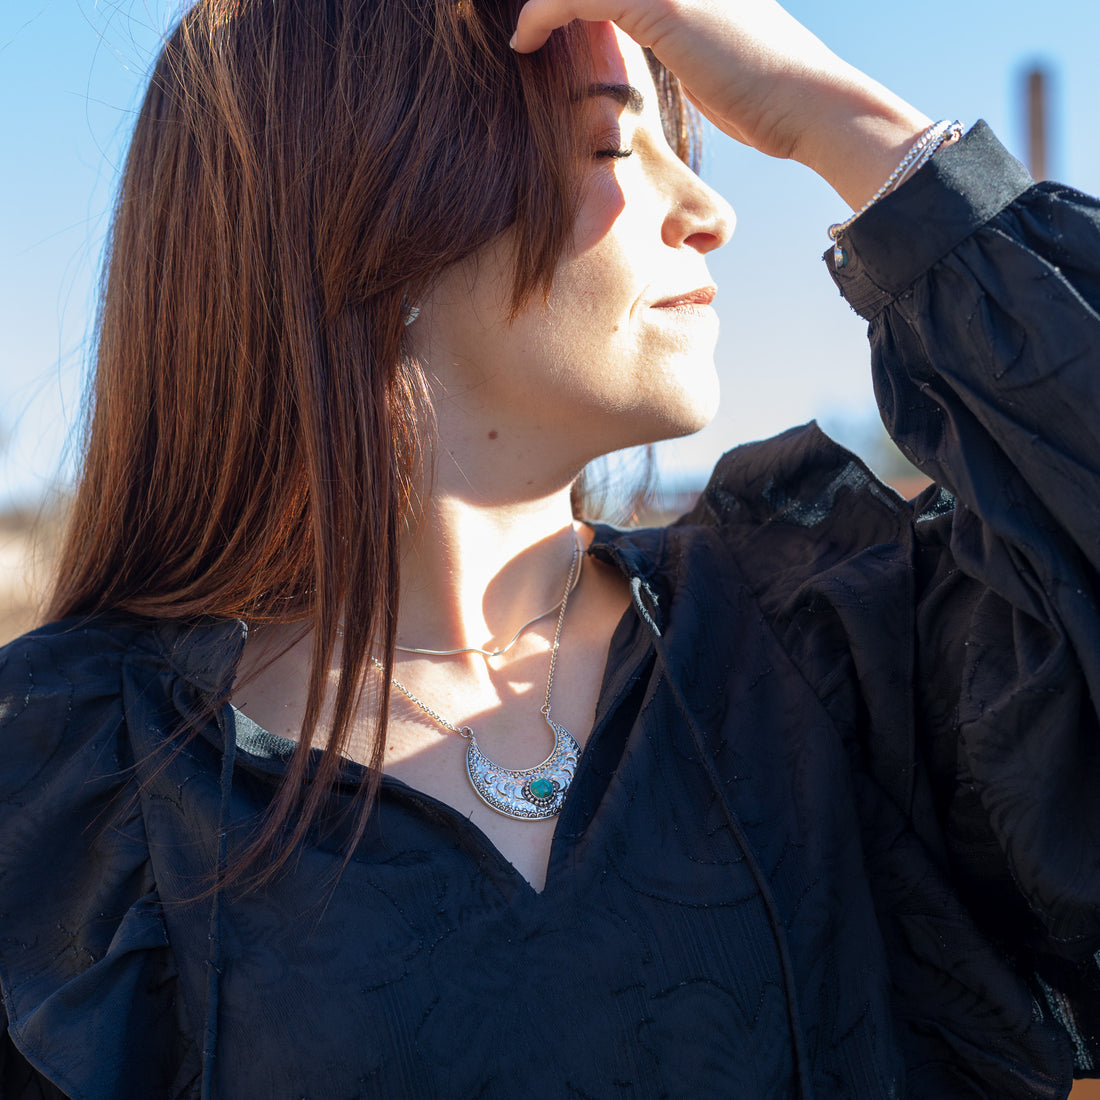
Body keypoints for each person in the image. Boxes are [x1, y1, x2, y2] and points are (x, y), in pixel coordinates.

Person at [1, 0, 1098, 1095]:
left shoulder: (828, 647)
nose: (710, 210)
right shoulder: (86, 795)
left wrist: (836, 113)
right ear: (375, 214)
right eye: (613, 145)